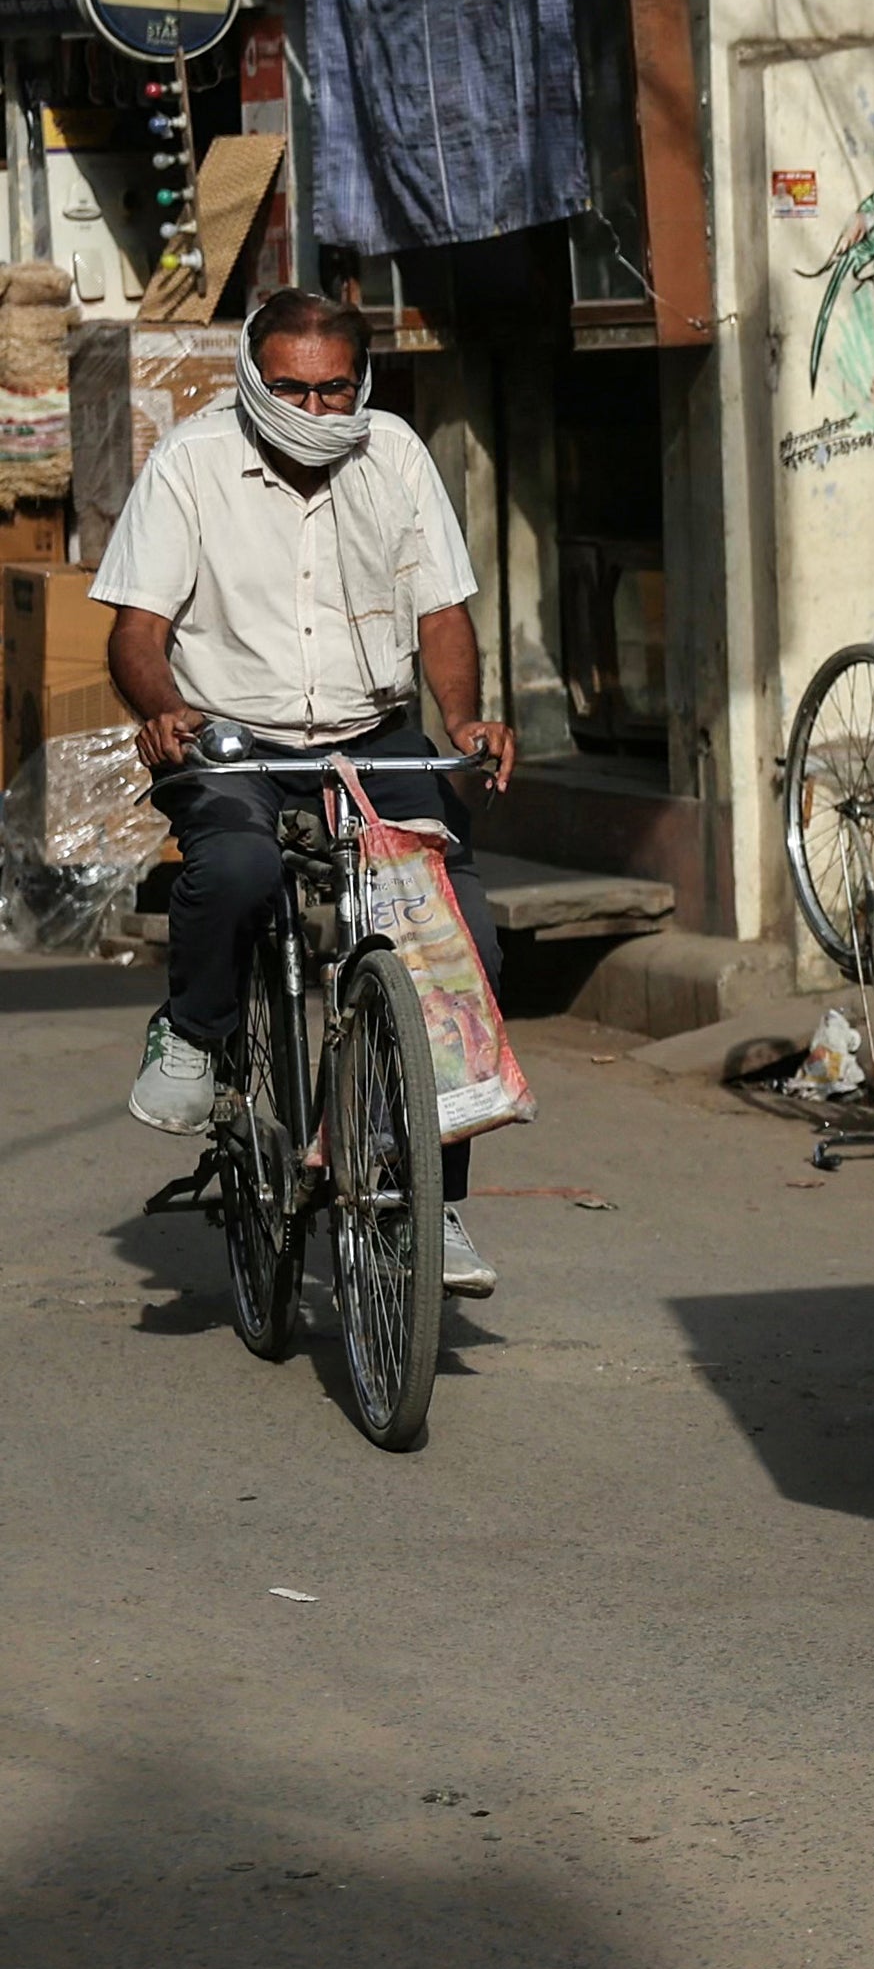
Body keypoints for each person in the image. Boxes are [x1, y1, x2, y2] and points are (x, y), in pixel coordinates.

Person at [102, 287, 519, 1296]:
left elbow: (443, 613)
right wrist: (160, 708)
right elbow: (136, 631)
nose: (313, 408)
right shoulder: (192, 463)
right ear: (252, 379)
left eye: (334, 390)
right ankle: (197, 1031)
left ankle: (434, 1202)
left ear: (361, 383)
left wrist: (463, 722)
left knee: (463, 946)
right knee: (239, 867)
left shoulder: (397, 457)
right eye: (288, 387)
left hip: (370, 741)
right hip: (235, 739)